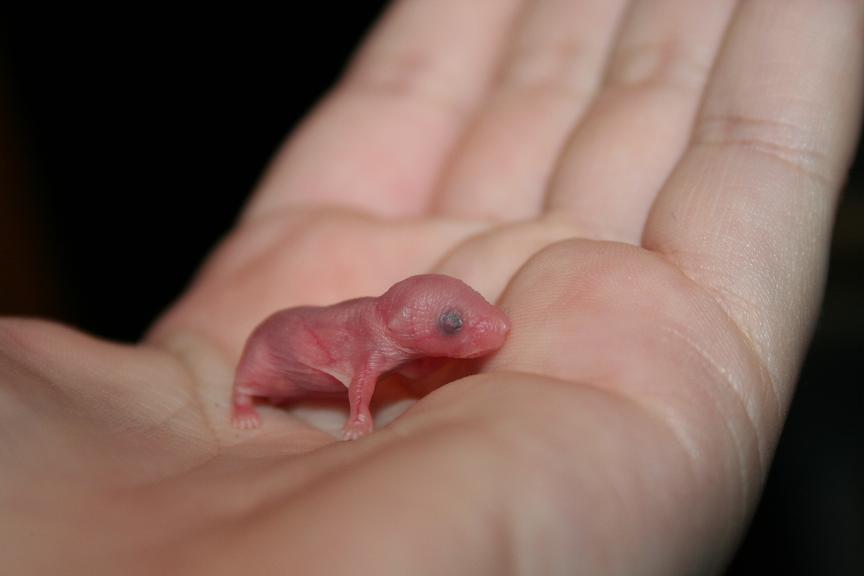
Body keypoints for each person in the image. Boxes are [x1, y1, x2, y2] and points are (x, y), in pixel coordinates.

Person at [1, 1, 860, 573]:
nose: (484, 329)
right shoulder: (369, 345)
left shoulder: (403, 326)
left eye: (468, 316)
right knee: (265, 369)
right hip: (275, 354)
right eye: (458, 324)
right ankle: (243, 393)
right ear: (412, 321)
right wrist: (352, 416)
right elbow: (363, 381)